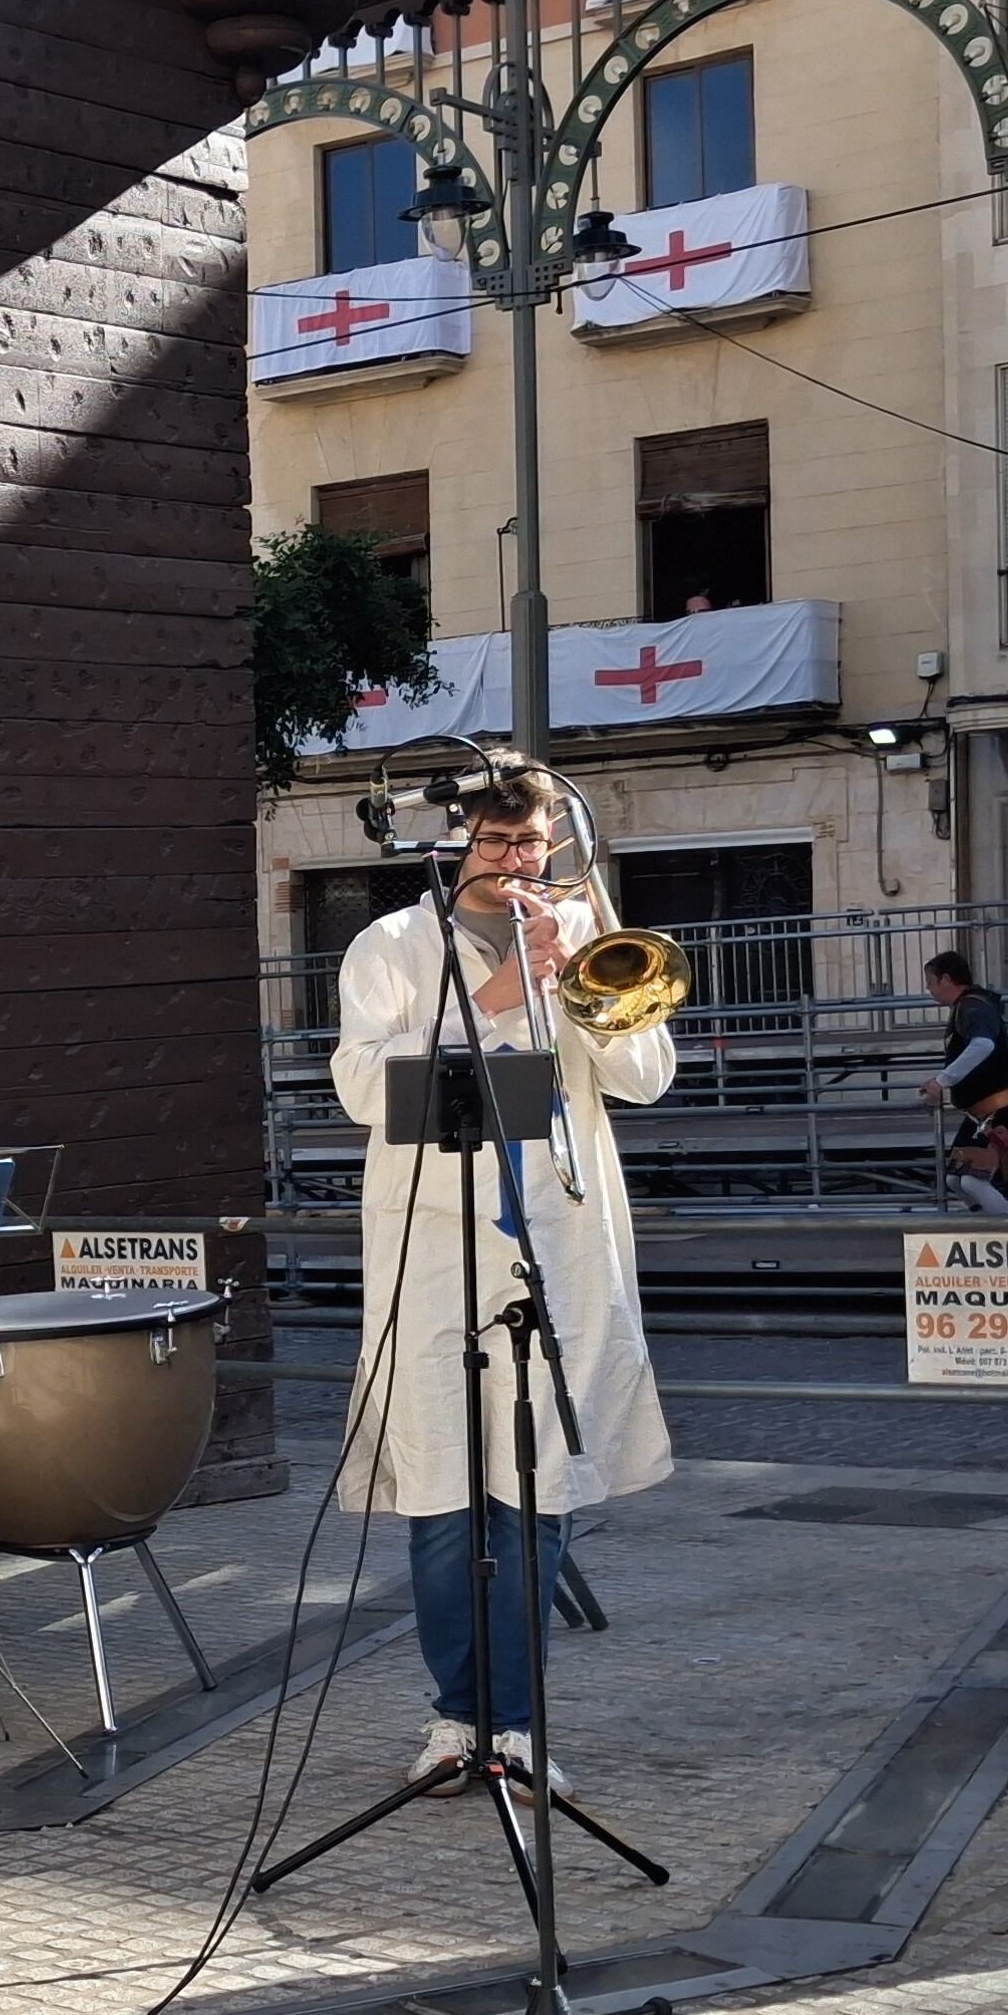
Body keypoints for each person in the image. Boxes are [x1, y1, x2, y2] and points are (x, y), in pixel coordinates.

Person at [328, 769, 673, 1800]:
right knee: (441, 1497)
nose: (519, 865)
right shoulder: (391, 946)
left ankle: (516, 1726)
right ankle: (455, 1718)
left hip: (553, 1249)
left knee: (535, 1495)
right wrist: (499, 994)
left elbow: (647, 1080)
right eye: (498, 844)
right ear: (454, 841)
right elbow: (360, 1088)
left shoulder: (579, 929)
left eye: (534, 847)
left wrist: (582, 989)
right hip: (434, 1250)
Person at [918, 951, 1008, 1167]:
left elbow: (983, 1045)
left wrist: (942, 1080)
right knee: (957, 1177)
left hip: (998, 1109)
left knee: (971, 1179)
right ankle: (985, 1203)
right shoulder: (971, 1006)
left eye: (931, 983)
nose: (929, 989)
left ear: (947, 980)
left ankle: (999, 1203)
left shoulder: (972, 1007)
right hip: (985, 1111)